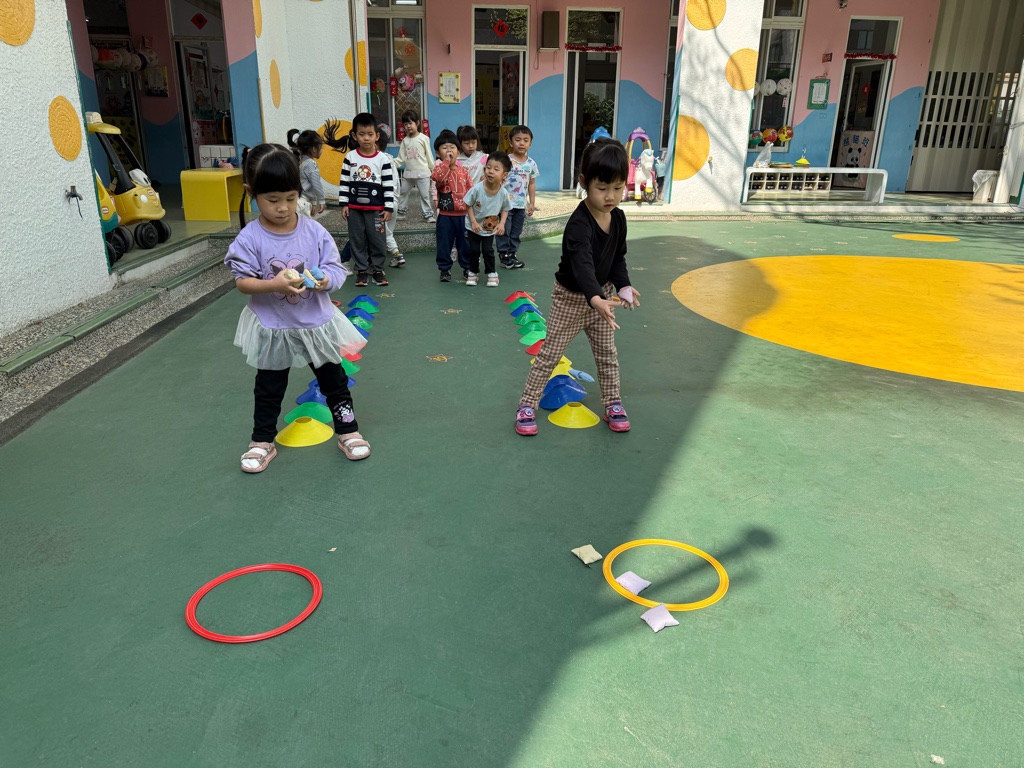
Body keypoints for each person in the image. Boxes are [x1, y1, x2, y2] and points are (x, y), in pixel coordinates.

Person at [225, 143, 371, 473]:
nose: (283, 208)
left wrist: (324, 281)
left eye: (291, 198)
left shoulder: (313, 230)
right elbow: (243, 282)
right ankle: (262, 442)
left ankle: (348, 431)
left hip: (315, 322)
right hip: (274, 326)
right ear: (251, 193)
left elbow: (335, 269)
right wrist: (274, 284)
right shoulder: (250, 237)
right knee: (268, 388)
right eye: (272, 200)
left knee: (334, 382)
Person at [513, 138, 639, 437]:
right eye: (602, 188)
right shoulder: (578, 224)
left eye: (618, 187)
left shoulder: (618, 218)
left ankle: (612, 402)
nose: (611, 196)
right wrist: (595, 297)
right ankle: (526, 405)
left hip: (602, 300)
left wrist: (623, 286)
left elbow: (617, 258)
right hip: (571, 300)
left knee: (607, 355)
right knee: (549, 355)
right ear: (584, 182)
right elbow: (582, 265)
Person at [332, 113, 396, 287]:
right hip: (354, 210)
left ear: (377, 136)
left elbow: (388, 185)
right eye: (361, 134)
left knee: (378, 240)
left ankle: (378, 270)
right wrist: (344, 204)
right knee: (357, 239)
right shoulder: (350, 157)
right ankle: (361, 270)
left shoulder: (383, 159)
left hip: (377, 211)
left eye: (370, 134)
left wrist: (388, 207)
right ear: (354, 136)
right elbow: (344, 182)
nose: (366, 138)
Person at [463, 151, 512, 287]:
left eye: (496, 169)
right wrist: (473, 222)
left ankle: (491, 273)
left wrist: (502, 224)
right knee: (474, 250)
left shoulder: (503, 193)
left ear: (504, 175)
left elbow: (506, 208)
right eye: (488, 167)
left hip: (489, 228)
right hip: (473, 227)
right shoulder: (477, 189)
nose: (490, 171)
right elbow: (468, 204)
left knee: (488, 250)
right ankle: (473, 272)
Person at [430, 129, 473, 283]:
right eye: (444, 148)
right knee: (444, 244)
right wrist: (446, 163)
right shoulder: (439, 169)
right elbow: (438, 178)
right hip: (445, 216)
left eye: (452, 147)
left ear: (458, 152)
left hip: (463, 216)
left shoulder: (464, 172)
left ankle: (467, 267)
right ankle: (444, 269)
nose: (449, 151)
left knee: (465, 244)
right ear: (437, 153)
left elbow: (471, 191)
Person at [497, 125, 539, 270]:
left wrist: (531, 203)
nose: (522, 143)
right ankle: (504, 254)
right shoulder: (506, 161)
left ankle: (512, 254)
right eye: (518, 140)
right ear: (511, 143)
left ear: (530, 144)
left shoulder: (531, 164)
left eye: (525, 140)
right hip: (505, 205)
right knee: (505, 229)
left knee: (516, 231)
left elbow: (531, 183)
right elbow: (498, 181)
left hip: (521, 205)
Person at [395, 110, 435, 224]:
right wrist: (391, 163)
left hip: (423, 173)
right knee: (403, 192)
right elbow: (400, 158)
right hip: (408, 173)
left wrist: (433, 168)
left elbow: (429, 154)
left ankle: (428, 215)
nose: (408, 126)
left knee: (425, 195)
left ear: (417, 123)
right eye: (405, 124)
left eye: (410, 123)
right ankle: (401, 213)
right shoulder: (405, 141)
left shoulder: (424, 138)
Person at [376, 124, 405, 268]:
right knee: (388, 231)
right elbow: (396, 185)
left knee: (383, 232)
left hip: (383, 204)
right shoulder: (391, 160)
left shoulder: (378, 161)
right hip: (394, 201)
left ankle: (396, 254)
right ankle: (396, 256)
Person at [287, 127, 326, 218]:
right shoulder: (311, 164)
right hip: (302, 204)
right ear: (314, 149)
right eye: (321, 147)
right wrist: (321, 200)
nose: (321, 150)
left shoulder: (301, 161)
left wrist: (313, 202)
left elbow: (309, 184)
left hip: (298, 201)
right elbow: (316, 184)